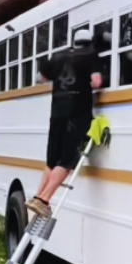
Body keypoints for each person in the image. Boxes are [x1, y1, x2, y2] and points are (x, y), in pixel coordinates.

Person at [30, 28, 103, 218]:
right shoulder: (90, 55)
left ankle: (37, 196)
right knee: (68, 160)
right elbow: (96, 82)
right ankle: (44, 200)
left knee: (52, 160)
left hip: (57, 112)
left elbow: (41, 78)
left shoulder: (59, 55)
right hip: (76, 112)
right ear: (89, 42)